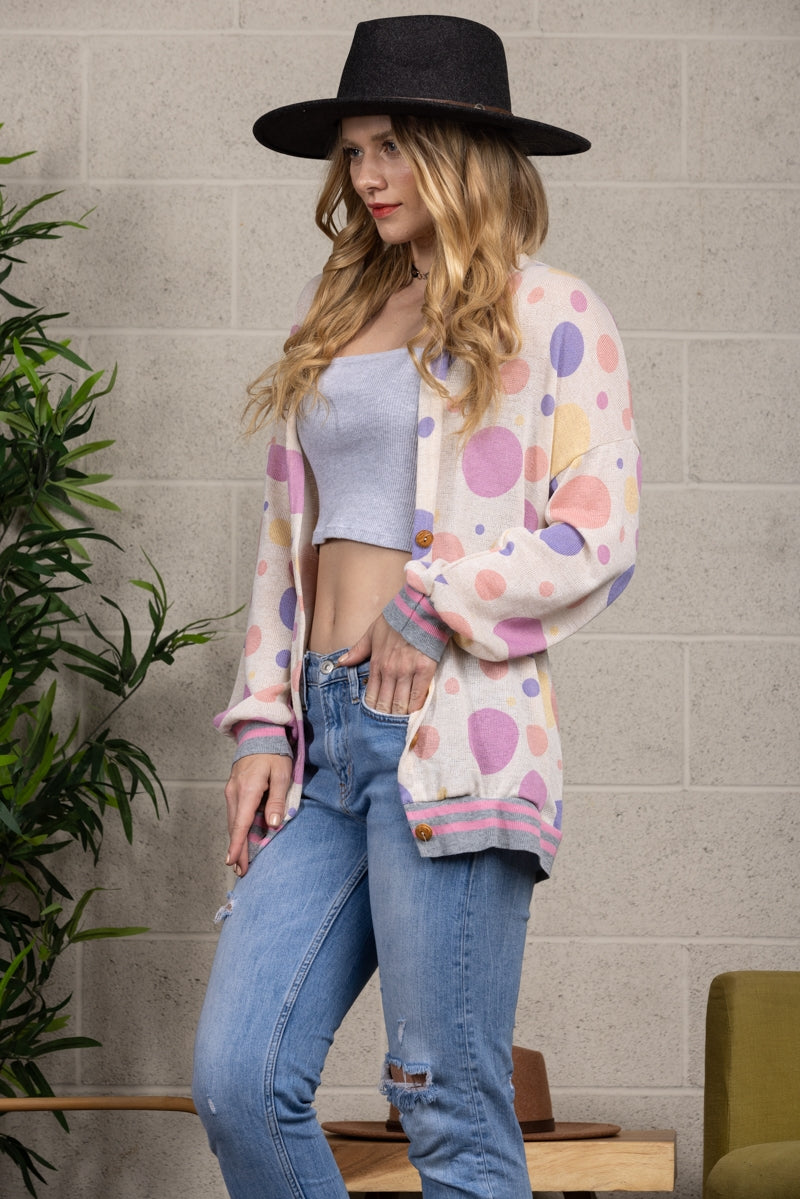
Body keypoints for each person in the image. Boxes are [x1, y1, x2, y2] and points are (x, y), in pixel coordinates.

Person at [193, 15, 639, 1199]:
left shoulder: (554, 314)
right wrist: (261, 721)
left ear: (459, 152)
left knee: (443, 1101)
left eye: (390, 145)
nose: (365, 175)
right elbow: (286, 543)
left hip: (452, 736)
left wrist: (430, 602)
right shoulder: (336, 310)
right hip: (323, 736)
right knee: (238, 1079)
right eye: (352, 151)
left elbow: (595, 533)